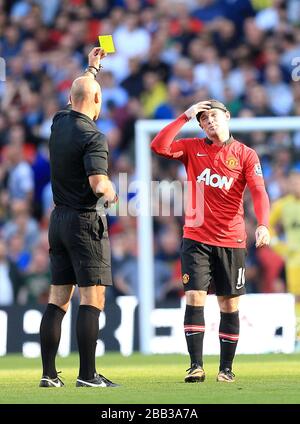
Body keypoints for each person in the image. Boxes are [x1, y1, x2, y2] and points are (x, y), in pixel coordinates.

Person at [151, 99, 270, 383]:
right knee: (194, 297)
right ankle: (196, 366)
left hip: (231, 239)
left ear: (227, 116)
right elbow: (158, 146)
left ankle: (226, 369)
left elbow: (258, 191)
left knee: (229, 305)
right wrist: (185, 116)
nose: (209, 122)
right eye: (203, 119)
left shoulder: (245, 154)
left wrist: (263, 224)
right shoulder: (192, 148)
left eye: (213, 116)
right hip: (196, 238)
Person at [39, 47, 118, 388]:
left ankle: (48, 375)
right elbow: (99, 184)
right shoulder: (93, 136)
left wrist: (92, 68)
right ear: (97, 100)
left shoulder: (58, 123)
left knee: (58, 298)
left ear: (70, 100)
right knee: (92, 298)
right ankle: (87, 375)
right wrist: (113, 193)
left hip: (57, 221)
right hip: (86, 222)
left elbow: (82, 91)